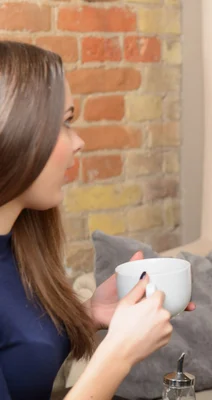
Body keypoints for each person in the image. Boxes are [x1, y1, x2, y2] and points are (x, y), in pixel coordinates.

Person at [0, 41, 194, 400]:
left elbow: (17, 349)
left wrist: (89, 315)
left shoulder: (17, 246)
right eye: (65, 123)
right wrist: (118, 352)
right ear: (13, 131)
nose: (79, 142)